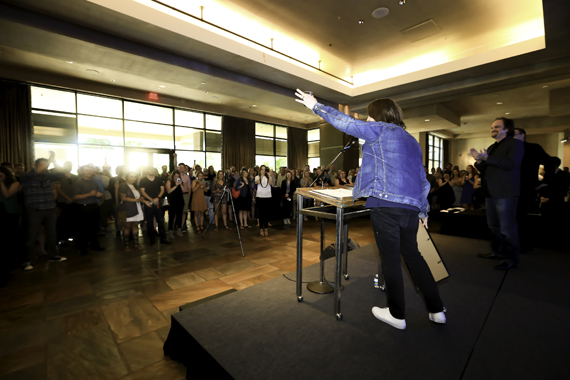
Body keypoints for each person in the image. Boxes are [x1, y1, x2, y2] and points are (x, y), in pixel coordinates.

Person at [296, 89, 445, 330]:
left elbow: (346, 122)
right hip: (409, 209)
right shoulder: (411, 141)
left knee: (391, 262)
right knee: (414, 258)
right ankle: (437, 309)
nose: (367, 120)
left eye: (369, 116)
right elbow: (422, 179)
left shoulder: (381, 130)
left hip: (385, 206)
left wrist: (316, 106)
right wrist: (423, 211)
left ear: (379, 116)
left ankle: (397, 315)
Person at [471, 117, 524, 270]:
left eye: (496, 127)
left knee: (507, 228)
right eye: (492, 127)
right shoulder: (492, 147)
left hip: (505, 193)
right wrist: (478, 161)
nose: (492, 129)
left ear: (506, 129)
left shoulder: (515, 144)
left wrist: (487, 157)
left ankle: (511, 259)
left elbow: (511, 164)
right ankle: (497, 252)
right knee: (493, 227)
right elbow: (486, 170)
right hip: (491, 193)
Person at [20, 154, 67, 271]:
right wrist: (48, 162)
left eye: (46, 165)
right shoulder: (26, 175)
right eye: (42, 165)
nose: (45, 167)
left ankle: (53, 255)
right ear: (35, 165)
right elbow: (34, 173)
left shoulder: (48, 176)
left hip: (50, 208)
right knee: (32, 235)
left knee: (51, 234)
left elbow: (61, 173)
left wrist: (54, 162)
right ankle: (29, 260)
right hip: (34, 209)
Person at [513, 127, 552, 253]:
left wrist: (544, 182)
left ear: (523, 135)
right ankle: (514, 244)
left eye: (514, 134)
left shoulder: (533, 148)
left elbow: (549, 162)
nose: (511, 137)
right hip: (509, 188)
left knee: (522, 217)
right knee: (512, 217)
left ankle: (524, 245)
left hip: (526, 188)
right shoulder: (509, 149)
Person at [73, 165, 105, 256]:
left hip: (93, 206)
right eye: (87, 170)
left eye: (90, 170)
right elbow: (75, 197)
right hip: (83, 207)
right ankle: (82, 249)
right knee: (82, 229)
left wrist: (99, 195)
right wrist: (89, 194)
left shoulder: (94, 183)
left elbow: (97, 194)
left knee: (94, 227)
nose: (89, 172)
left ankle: (94, 245)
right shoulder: (78, 182)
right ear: (82, 171)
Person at [0, 166, 22, 279]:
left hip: (11, 212)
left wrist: (1, 182)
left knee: (10, 237)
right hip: (1, 212)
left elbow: (7, 195)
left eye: (1, 174)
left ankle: (12, 260)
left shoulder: (15, 183)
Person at [139, 166, 170, 246]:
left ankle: (163, 238)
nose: (151, 171)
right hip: (148, 203)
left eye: (153, 169)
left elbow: (162, 189)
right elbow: (142, 192)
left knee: (161, 221)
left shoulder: (158, 179)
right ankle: (152, 238)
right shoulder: (143, 180)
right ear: (147, 170)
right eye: (150, 169)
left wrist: (158, 198)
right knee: (149, 221)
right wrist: (152, 199)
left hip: (157, 202)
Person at [118, 172, 148, 251]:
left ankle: (136, 243)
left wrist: (144, 201)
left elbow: (139, 197)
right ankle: (126, 245)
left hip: (137, 207)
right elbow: (123, 198)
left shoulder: (135, 186)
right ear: (127, 177)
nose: (133, 178)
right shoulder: (123, 185)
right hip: (127, 208)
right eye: (131, 177)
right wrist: (137, 200)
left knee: (135, 225)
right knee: (127, 226)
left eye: (135, 177)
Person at [165, 170, 186, 238]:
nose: (176, 178)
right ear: (173, 176)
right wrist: (176, 186)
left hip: (180, 201)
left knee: (179, 216)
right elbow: (168, 191)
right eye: (175, 176)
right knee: (172, 216)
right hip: (172, 201)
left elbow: (184, 191)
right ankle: (170, 230)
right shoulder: (169, 182)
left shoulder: (180, 182)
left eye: (178, 176)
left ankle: (179, 230)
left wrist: (181, 184)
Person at [255, 165, 273, 236]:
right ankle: (261, 229)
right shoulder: (257, 176)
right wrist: (261, 175)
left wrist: (269, 176)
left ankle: (266, 228)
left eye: (264, 169)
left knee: (266, 213)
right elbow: (259, 182)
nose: (263, 171)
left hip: (267, 197)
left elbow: (270, 183)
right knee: (261, 214)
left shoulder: (268, 176)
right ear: (260, 170)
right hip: (260, 197)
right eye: (262, 169)